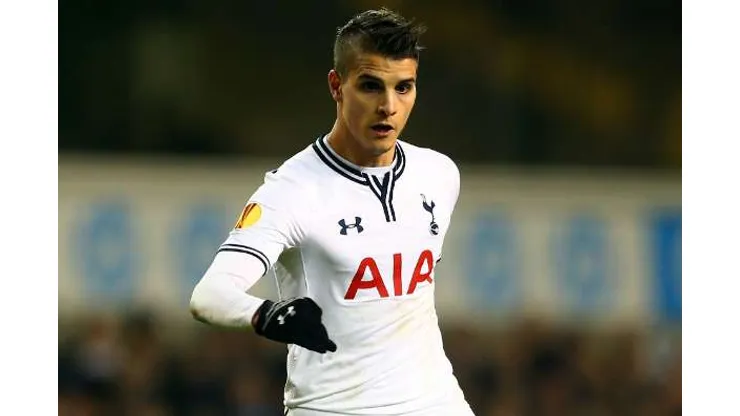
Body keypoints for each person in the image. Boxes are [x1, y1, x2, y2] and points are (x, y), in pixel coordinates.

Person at [190, 8, 474, 416]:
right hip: (334, 408)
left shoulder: (439, 174)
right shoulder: (291, 190)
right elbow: (208, 295)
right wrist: (267, 314)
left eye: (404, 87)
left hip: (435, 402)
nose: (388, 106)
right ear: (336, 86)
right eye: (371, 86)